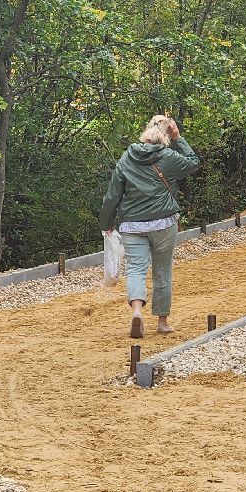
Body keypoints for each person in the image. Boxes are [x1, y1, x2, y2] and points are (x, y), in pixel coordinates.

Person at [99, 115, 200, 339]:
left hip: (132, 225)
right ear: (167, 134)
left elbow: (112, 195)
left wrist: (106, 223)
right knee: (162, 271)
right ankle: (162, 322)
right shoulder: (169, 157)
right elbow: (193, 162)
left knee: (135, 269)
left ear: (145, 131)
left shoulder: (127, 157)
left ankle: (137, 312)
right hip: (163, 223)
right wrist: (179, 138)